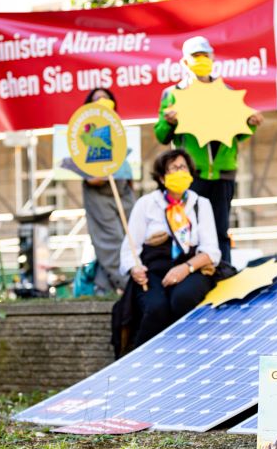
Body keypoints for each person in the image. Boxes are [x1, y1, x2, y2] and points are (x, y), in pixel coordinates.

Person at [154, 36, 263, 263]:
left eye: (205, 56)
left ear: (213, 59)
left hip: (223, 171)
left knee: (221, 228)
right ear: (185, 62)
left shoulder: (226, 90)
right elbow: (161, 135)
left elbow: (238, 133)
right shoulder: (173, 93)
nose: (201, 60)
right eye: (196, 56)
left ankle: (224, 272)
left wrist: (250, 123)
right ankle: (193, 275)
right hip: (191, 174)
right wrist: (170, 121)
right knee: (192, 229)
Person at [117, 148, 221, 348]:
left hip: (192, 268)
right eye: (173, 168)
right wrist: (135, 268)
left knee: (183, 298)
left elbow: (212, 251)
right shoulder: (146, 204)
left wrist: (186, 268)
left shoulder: (200, 204)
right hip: (154, 271)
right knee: (156, 308)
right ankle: (140, 356)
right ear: (162, 178)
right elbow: (130, 247)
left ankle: (189, 350)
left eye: (183, 167)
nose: (180, 172)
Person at [78, 88, 136, 295]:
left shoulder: (119, 130)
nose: (102, 101)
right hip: (99, 192)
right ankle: (127, 285)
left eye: (106, 98)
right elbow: (88, 175)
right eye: (97, 99)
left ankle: (105, 287)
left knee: (131, 238)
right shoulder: (82, 132)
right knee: (110, 243)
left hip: (122, 190)